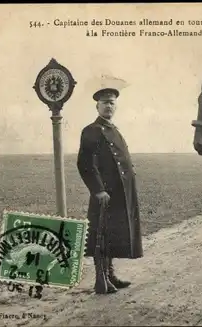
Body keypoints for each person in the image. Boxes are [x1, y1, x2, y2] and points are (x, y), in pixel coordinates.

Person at [77, 81, 143, 294]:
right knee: (101, 235)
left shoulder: (114, 130)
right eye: (105, 103)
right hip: (104, 193)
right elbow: (86, 164)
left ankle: (110, 274)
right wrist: (98, 190)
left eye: (112, 103)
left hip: (119, 192)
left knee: (112, 234)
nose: (109, 107)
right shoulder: (92, 131)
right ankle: (101, 277)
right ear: (97, 106)